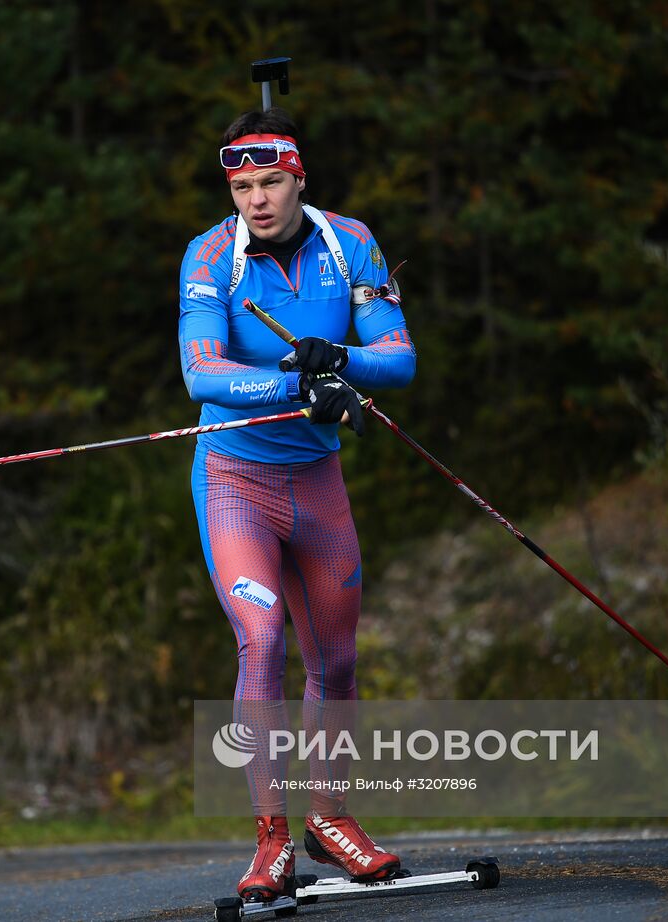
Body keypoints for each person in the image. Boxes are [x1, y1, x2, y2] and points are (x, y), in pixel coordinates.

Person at [177, 106, 417, 903]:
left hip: (317, 487)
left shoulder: (352, 243)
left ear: (299, 178)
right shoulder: (211, 257)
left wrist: (340, 358)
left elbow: (399, 357)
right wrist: (299, 382)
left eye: (271, 181)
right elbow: (203, 376)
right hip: (234, 485)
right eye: (242, 185)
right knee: (263, 634)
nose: (257, 199)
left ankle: (331, 821)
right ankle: (271, 839)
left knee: (338, 661)